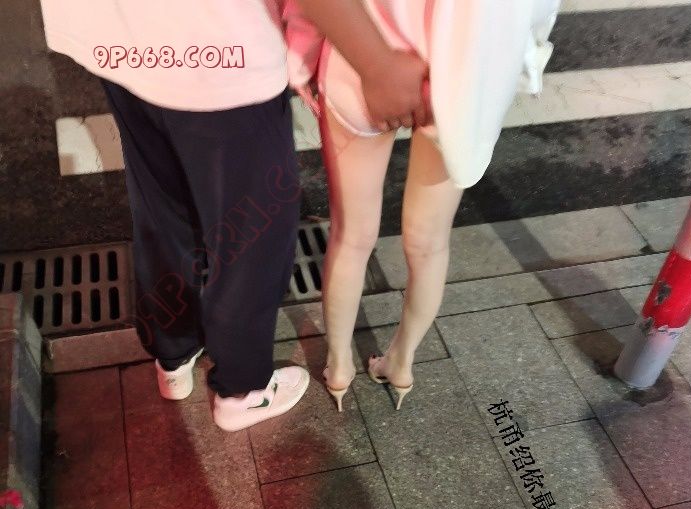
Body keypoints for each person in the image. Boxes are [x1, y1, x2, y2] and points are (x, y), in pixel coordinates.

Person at [39, 0, 431, 431]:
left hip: (117, 34)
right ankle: (243, 390)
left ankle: (173, 355)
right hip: (221, 46)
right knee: (253, 235)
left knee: (162, 206)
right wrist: (376, 64)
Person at [287, 0, 560, 411]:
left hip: (363, 59)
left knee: (352, 236)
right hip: (461, 82)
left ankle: (339, 366)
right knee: (429, 243)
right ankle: (401, 363)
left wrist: (302, 57)